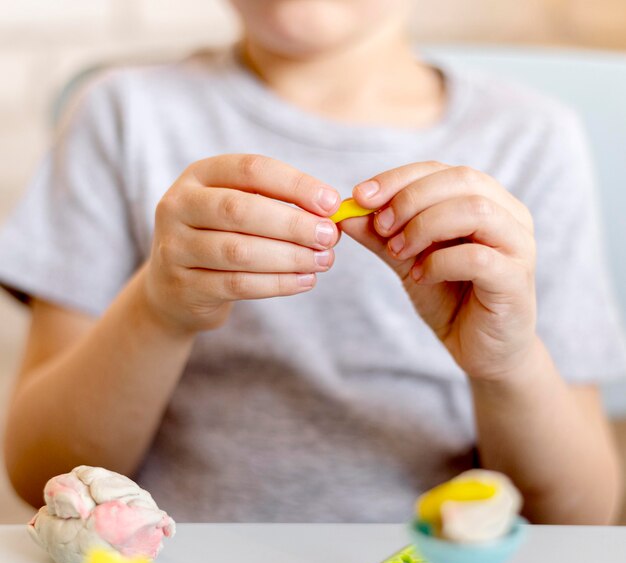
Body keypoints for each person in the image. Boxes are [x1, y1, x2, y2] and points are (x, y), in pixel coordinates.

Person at [1, 0, 625, 523]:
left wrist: (506, 364)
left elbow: (582, 515)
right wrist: (158, 311)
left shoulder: (530, 139)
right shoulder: (122, 114)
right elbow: (41, 472)